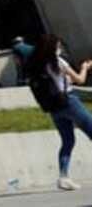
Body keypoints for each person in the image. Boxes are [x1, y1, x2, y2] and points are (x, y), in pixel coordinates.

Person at [26, 34, 92, 191]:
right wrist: (85, 68)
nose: (60, 48)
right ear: (52, 47)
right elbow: (79, 80)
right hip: (69, 102)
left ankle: (63, 177)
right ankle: (64, 177)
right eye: (58, 45)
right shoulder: (58, 62)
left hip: (54, 108)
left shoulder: (37, 65)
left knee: (67, 141)